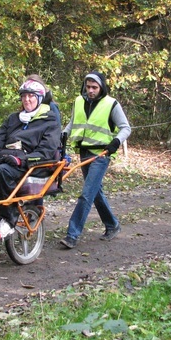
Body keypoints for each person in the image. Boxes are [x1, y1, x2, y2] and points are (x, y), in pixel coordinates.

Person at [0, 79, 61, 240]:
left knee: (1, 171)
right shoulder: (13, 119)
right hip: (6, 161)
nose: (27, 100)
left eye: (31, 96)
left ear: (39, 98)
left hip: (31, 165)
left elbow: (47, 150)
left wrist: (23, 160)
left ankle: (8, 220)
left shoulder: (50, 120)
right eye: (24, 96)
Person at [59, 71, 131, 249]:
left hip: (101, 154)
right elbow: (73, 123)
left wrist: (116, 142)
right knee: (95, 192)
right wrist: (62, 134)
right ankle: (112, 225)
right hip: (84, 152)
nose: (90, 90)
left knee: (86, 194)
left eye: (94, 87)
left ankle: (72, 234)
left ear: (101, 88)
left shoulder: (111, 104)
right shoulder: (78, 101)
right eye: (88, 87)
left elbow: (125, 128)